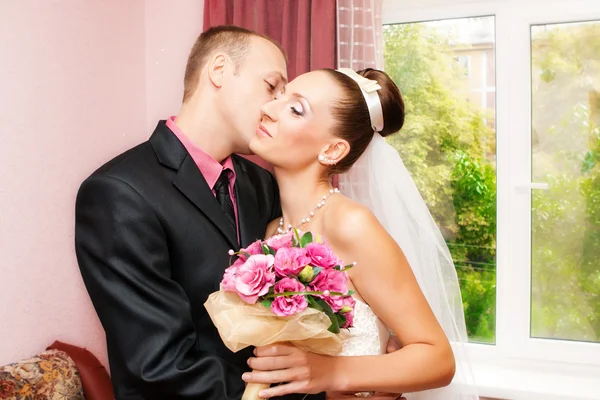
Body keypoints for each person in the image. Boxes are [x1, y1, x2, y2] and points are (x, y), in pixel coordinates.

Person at [74, 25, 300, 399]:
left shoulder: (262, 183)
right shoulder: (119, 192)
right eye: (271, 87)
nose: (277, 107)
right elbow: (161, 368)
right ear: (219, 70)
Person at [241, 68, 479, 399]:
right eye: (280, 97)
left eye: (295, 108)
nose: (269, 108)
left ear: (332, 150)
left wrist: (329, 372)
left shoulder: (350, 224)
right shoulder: (271, 231)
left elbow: (438, 358)